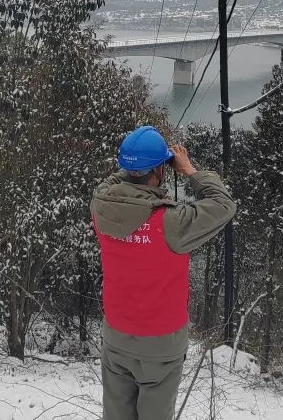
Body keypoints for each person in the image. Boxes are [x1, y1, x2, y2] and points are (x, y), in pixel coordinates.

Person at [91, 126, 237, 420]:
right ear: (160, 169)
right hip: (160, 345)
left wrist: (138, 163)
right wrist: (189, 170)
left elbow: (113, 182)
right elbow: (223, 205)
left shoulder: (101, 207)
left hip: (116, 335)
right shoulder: (171, 222)